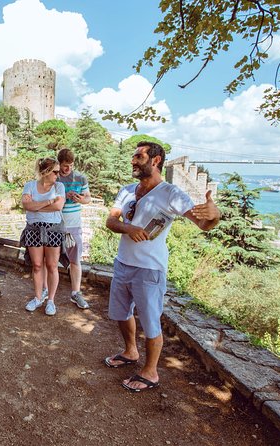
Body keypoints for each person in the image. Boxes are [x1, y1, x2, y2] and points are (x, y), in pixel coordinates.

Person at [104, 141, 221, 392]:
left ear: (155, 161)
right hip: (122, 263)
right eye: (133, 156)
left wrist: (215, 215)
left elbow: (203, 224)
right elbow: (111, 221)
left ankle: (150, 372)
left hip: (149, 270)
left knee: (150, 321)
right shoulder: (126, 191)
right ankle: (130, 351)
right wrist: (128, 227)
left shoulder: (171, 194)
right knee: (122, 314)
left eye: (139, 156)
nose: (133, 161)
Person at [21, 157, 66, 316]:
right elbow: (26, 205)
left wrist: (36, 207)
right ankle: (38, 297)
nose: (58, 175)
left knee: (52, 266)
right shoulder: (30, 185)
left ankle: (51, 301)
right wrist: (48, 202)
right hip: (33, 229)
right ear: (45, 172)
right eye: (55, 172)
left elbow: (58, 206)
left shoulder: (59, 186)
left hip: (53, 228)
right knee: (37, 265)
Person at [55, 147, 91, 310]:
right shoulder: (54, 178)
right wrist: (63, 197)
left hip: (74, 225)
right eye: (65, 165)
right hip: (56, 225)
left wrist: (80, 199)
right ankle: (48, 294)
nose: (68, 168)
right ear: (59, 164)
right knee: (51, 262)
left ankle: (76, 293)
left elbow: (88, 198)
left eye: (70, 165)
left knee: (75, 261)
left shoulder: (80, 178)